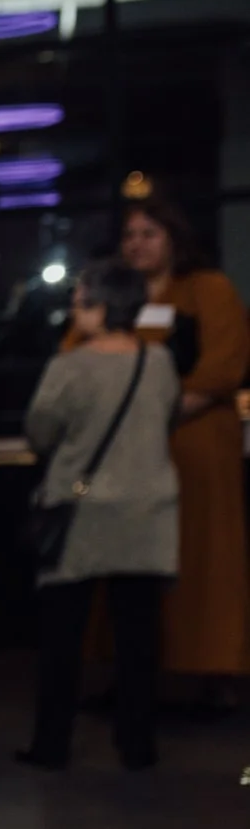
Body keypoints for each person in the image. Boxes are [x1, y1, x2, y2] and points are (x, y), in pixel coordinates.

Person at [19, 262, 179, 772]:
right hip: (149, 509)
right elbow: (168, 417)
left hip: (80, 510)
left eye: (82, 300)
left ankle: (52, 745)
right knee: (139, 638)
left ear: (104, 307)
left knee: (62, 637)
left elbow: (40, 433)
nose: (74, 308)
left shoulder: (69, 366)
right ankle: (137, 745)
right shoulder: (159, 362)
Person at [114, 196, 249, 704]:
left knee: (200, 555)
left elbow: (224, 367)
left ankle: (211, 674)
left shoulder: (207, 289)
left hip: (195, 444)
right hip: (130, 450)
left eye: (149, 233)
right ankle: (134, 673)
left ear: (174, 238)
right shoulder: (116, 296)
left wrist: (156, 414)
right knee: (130, 560)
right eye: (129, 235)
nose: (137, 244)